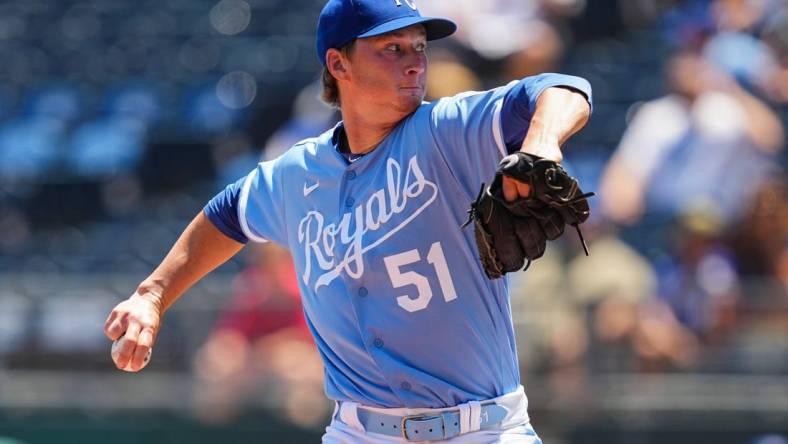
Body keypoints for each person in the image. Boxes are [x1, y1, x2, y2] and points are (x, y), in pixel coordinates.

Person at [104, 0, 592, 442]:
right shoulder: (298, 173)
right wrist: (153, 294)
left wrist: (541, 143)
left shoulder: (447, 128)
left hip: (482, 429)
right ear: (339, 64)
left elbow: (563, 88)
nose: (415, 61)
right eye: (393, 48)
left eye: (420, 47)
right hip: (358, 432)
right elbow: (228, 215)